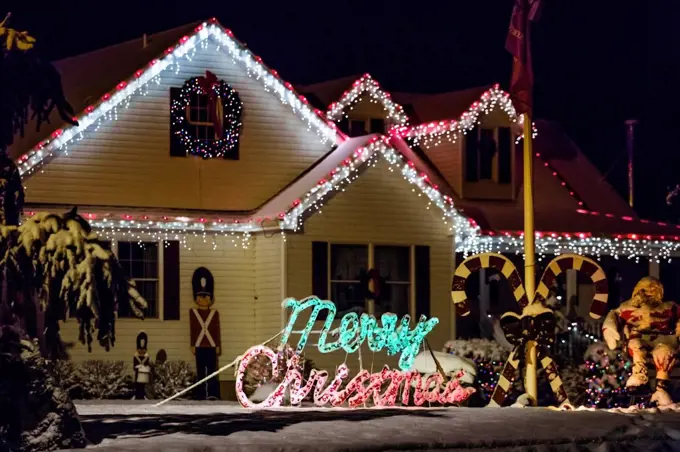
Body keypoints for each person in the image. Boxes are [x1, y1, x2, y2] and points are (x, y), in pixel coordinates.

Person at [602, 276, 680, 406]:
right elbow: (614, 315)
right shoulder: (627, 307)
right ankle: (639, 379)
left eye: (653, 289)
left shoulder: (669, 307)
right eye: (645, 289)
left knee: (664, 352)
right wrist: (610, 329)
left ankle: (661, 388)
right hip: (638, 339)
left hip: (664, 339)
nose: (648, 292)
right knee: (636, 345)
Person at [190, 267, 221, 400]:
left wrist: (218, 345)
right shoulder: (193, 313)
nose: (203, 299)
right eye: (200, 296)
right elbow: (193, 329)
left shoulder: (214, 313)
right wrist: (192, 344)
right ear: (196, 298)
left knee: (212, 371)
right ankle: (201, 393)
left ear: (210, 298)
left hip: (211, 346)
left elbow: (216, 329)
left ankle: (213, 393)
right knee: (201, 371)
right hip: (199, 346)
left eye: (206, 296)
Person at [133, 332, 150, 400]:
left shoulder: (146, 356)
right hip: (138, 372)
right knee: (138, 384)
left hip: (144, 373)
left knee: (143, 385)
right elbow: (134, 366)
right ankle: (138, 396)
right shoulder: (136, 355)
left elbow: (147, 364)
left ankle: (142, 395)